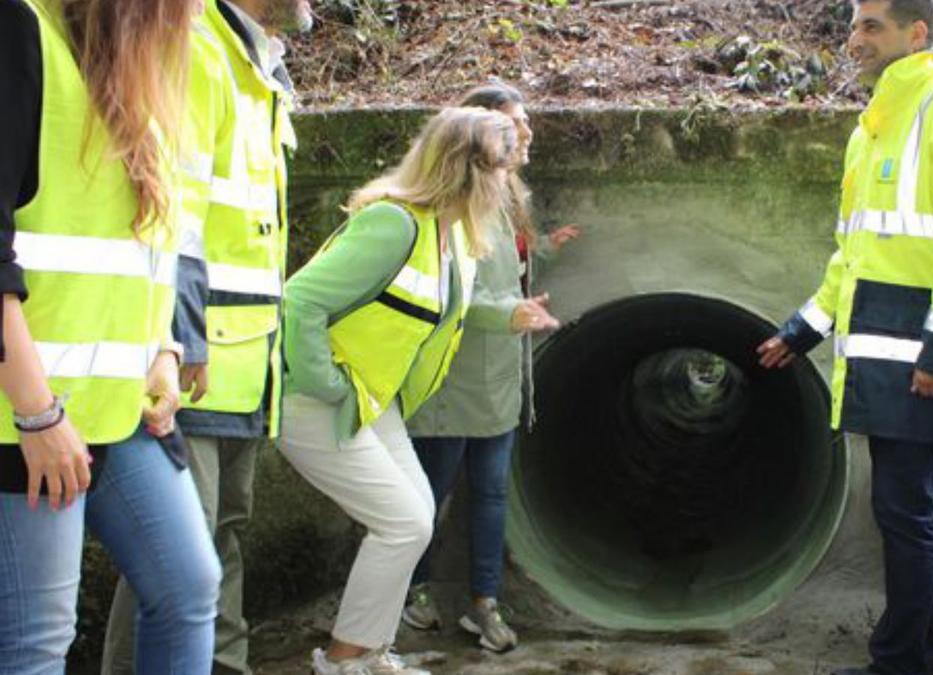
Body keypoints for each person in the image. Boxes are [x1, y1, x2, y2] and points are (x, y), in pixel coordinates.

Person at [756, 0, 933, 673]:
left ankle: (902, 661)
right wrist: (802, 330)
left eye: (872, 25)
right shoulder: (874, 129)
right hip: (889, 353)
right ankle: (919, 657)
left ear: (917, 33)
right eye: (853, 24)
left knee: (905, 509)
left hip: (921, 358)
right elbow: (855, 254)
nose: (855, 38)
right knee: (906, 509)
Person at [0, 0, 221, 673]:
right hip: (27, 415)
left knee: (188, 586)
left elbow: (145, 246)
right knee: (38, 640)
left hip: (117, 408)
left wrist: (162, 347)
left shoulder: (137, 71)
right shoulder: (19, 31)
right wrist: (38, 413)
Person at [101, 0, 308, 672]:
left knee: (219, 542)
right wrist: (182, 336)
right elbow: (172, 214)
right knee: (172, 562)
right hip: (196, 360)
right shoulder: (196, 51)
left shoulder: (255, 67)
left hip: (243, 361)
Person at [279, 107, 519, 675]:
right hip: (317, 400)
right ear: (470, 170)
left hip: (371, 399)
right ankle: (342, 661)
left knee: (416, 519)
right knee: (404, 522)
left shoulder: (449, 233)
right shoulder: (394, 223)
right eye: (504, 167)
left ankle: (371, 652)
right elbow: (300, 300)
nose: (510, 179)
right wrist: (326, 384)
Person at [401, 82, 580, 654]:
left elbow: (512, 261)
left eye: (523, 123)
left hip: (500, 377)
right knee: (428, 496)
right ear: (478, 140)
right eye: (512, 125)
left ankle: (485, 604)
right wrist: (510, 313)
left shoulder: (504, 199)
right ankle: (412, 591)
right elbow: (446, 297)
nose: (524, 134)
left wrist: (545, 249)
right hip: (453, 380)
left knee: (492, 495)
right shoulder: (448, 208)